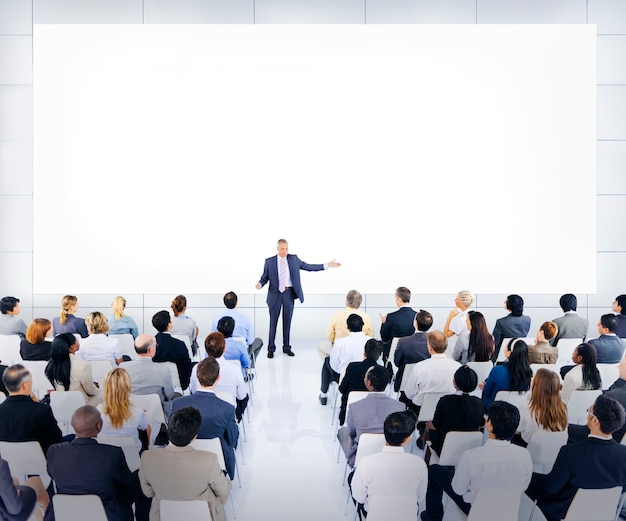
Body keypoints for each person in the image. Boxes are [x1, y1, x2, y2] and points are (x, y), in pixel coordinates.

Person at [422, 401, 532, 521]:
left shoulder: (472, 457)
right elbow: (523, 487)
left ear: (489, 424)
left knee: (434, 470)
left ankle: (433, 517)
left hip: (475, 508)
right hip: (507, 509)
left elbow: (458, 489)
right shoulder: (525, 455)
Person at [526, 394, 626, 521]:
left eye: (589, 412)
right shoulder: (624, 454)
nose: (588, 415)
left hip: (566, 510)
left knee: (532, 479)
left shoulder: (570, 452)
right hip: (604, 511)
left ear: (595, 421)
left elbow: (552, 488)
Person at [46, 405, 138, 521]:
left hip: (65, 512)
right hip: (106, 513)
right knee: (136, 479)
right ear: (99, 425)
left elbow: (51, 474)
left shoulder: (54, 451)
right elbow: (127, 484)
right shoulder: (112, 453)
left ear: (73, 425)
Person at [139, 406, 232, 521]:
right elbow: (223, 491)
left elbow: (148, 492)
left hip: (164, 514)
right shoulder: (209, 460)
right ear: (194, 438)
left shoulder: (147, 458)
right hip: (204, 514)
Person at [255, 238, 340, 358]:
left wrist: (327, 265)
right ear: (277, 249)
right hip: (275, 295)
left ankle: (286, 347)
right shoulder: (269, 261)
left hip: (289, 294)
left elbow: (308, 266)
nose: (285, 251)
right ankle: (271, 349)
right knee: (273, 323)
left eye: (286, 248)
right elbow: (264, 277)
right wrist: (260, 284)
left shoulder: (294, 259)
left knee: (287, 322)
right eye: (282, 249)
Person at [170, 357, 239, 480]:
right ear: (218, 378)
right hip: (217, 461)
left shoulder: (177, 404)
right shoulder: (227, 409)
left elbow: (171, 434)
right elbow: (233, 440)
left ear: (197, 376)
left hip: (182, 460)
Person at [351, 410, 427, 519]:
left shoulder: (366, 463)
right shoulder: (419, 464)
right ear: (407, 438)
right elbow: (420, 497)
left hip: (375, 515)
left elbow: (358, 497)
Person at [337, 365, 405, 467]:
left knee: (343, 431)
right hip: (389, 455)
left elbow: (351, 433)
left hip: (360, 456)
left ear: (368, 383)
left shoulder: (354, 407)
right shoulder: (400, 407)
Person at [423, 366, 485, 457]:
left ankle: (427, 458)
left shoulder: (445, 401)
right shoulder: (479, 403)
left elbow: (436, 424)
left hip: (445, 449)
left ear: (454, 382)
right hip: (470, 449)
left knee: (429, 424)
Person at [0, 364, 62, 455]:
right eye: (31, 381)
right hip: (42, 464)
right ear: (25, 385)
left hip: (8, 466)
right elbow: (56, 440)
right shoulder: (42, 411)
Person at [190, 332, 248, 422]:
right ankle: (237, 420)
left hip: (203, 410)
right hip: (228, 412)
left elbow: (194, 391)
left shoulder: (196, 368)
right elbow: (242, 396)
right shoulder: (234, 369)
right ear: (224, 348)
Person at [569, 355, 626, 443]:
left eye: (621, 365)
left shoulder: (612, 398)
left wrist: (565, 428)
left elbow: (590, 430)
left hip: (600, 443)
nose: (618, 366)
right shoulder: (619, 388)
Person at [403, 331, 460, 414]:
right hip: (448, 410)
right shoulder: (457, 367)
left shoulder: (420, 367)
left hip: (420, 409)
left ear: (430, 348)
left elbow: (409, 393)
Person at [319, 314, 370, 406]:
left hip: (345, 379)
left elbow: (334, 366)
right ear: (363, 325)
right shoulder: (371, 341)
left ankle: (323, 395)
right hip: (368, 379)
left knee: (327, 361)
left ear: (347, 327)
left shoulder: (340, 343)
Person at [97, 367, 150, 453]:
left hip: (106, 456)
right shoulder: (137, 412)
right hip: (133, 458)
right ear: (128, 387)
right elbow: (145, 427)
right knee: (147, 427)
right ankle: (146, 452)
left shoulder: (98, 410)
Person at [120, 334, 175, 415]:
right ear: (150, 350)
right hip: (157, 413)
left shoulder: (122, 367)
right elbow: (169, 395)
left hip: (129, 412)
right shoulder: (163, 370)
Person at [45, 333, 102, 406]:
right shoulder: (83, 365)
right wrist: (96, 388)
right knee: (105, 395)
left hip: (60, 403)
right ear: (72, 347)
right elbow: (91, 391)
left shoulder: (51, 365)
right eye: (76, 340)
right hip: (81, 405)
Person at [318, 290, 374, 361]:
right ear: (360, 302)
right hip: (361, 349)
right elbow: (370, 335)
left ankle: (331, 366)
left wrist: (333, 342)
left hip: (340, 348)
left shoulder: (336, 315)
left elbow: (329, 334)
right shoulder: (366, 317)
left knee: (320, 347)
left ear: (347, 301)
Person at [338, 339, 384, 425]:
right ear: (379, 355)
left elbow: (342, 389)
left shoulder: (353, 367)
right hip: (373, 415)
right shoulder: (382, 372)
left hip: (350, 412)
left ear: (364, 352)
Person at [516, 368, 568, 446]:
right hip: (555, 449)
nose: (531, 378)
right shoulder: (563, 406)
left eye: (534, 377)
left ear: (537, 385)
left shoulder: (526, 407)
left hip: (529, 449)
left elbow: (517, 430)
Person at [211, 291, 263, 365]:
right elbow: (251, 341)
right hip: (241, 351)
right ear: (237, 302)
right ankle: (249, 367)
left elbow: (213, 337)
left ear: (224, 303)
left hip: (221, 351)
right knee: (259, 341)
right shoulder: (245, 319)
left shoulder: (216, 319)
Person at [481, 339, 533, 411]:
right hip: (517, 411)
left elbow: (486, 394)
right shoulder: (528, 374)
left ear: (509, 353)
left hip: (495, 411)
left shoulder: (497, 370)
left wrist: (486, 388)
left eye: (506, 347)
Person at [151, 310, 193, 391]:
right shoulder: (180, 344)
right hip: (179, 383)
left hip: (155, 382)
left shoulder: (150, 345)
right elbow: (187, 365)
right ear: (169, 325)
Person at [394, 309, 433, 392]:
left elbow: (397, 362)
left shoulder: (403, 341)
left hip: (405, 383)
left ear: (415, 323)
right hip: (426, 384)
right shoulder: (433, 341)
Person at [379, 286, 416, 360]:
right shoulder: (417, 316)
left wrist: (383, 323)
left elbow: (384, 337)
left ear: (399, 299)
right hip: (413, 355)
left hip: (394, 357)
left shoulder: (391, 317)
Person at [492, 294, 531, 361]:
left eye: (506, 301)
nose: (504, 303)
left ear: (510, 305)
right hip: (521, 354)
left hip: (502, 356)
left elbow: (495, 342)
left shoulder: (501, 322)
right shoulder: (528, 319)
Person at [217, 316, 251, 380]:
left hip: (217, 377)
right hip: (238, 377)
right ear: (233, 329)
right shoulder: (239, 345)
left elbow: (207, 360)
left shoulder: (212, 345)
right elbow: (247, 363)